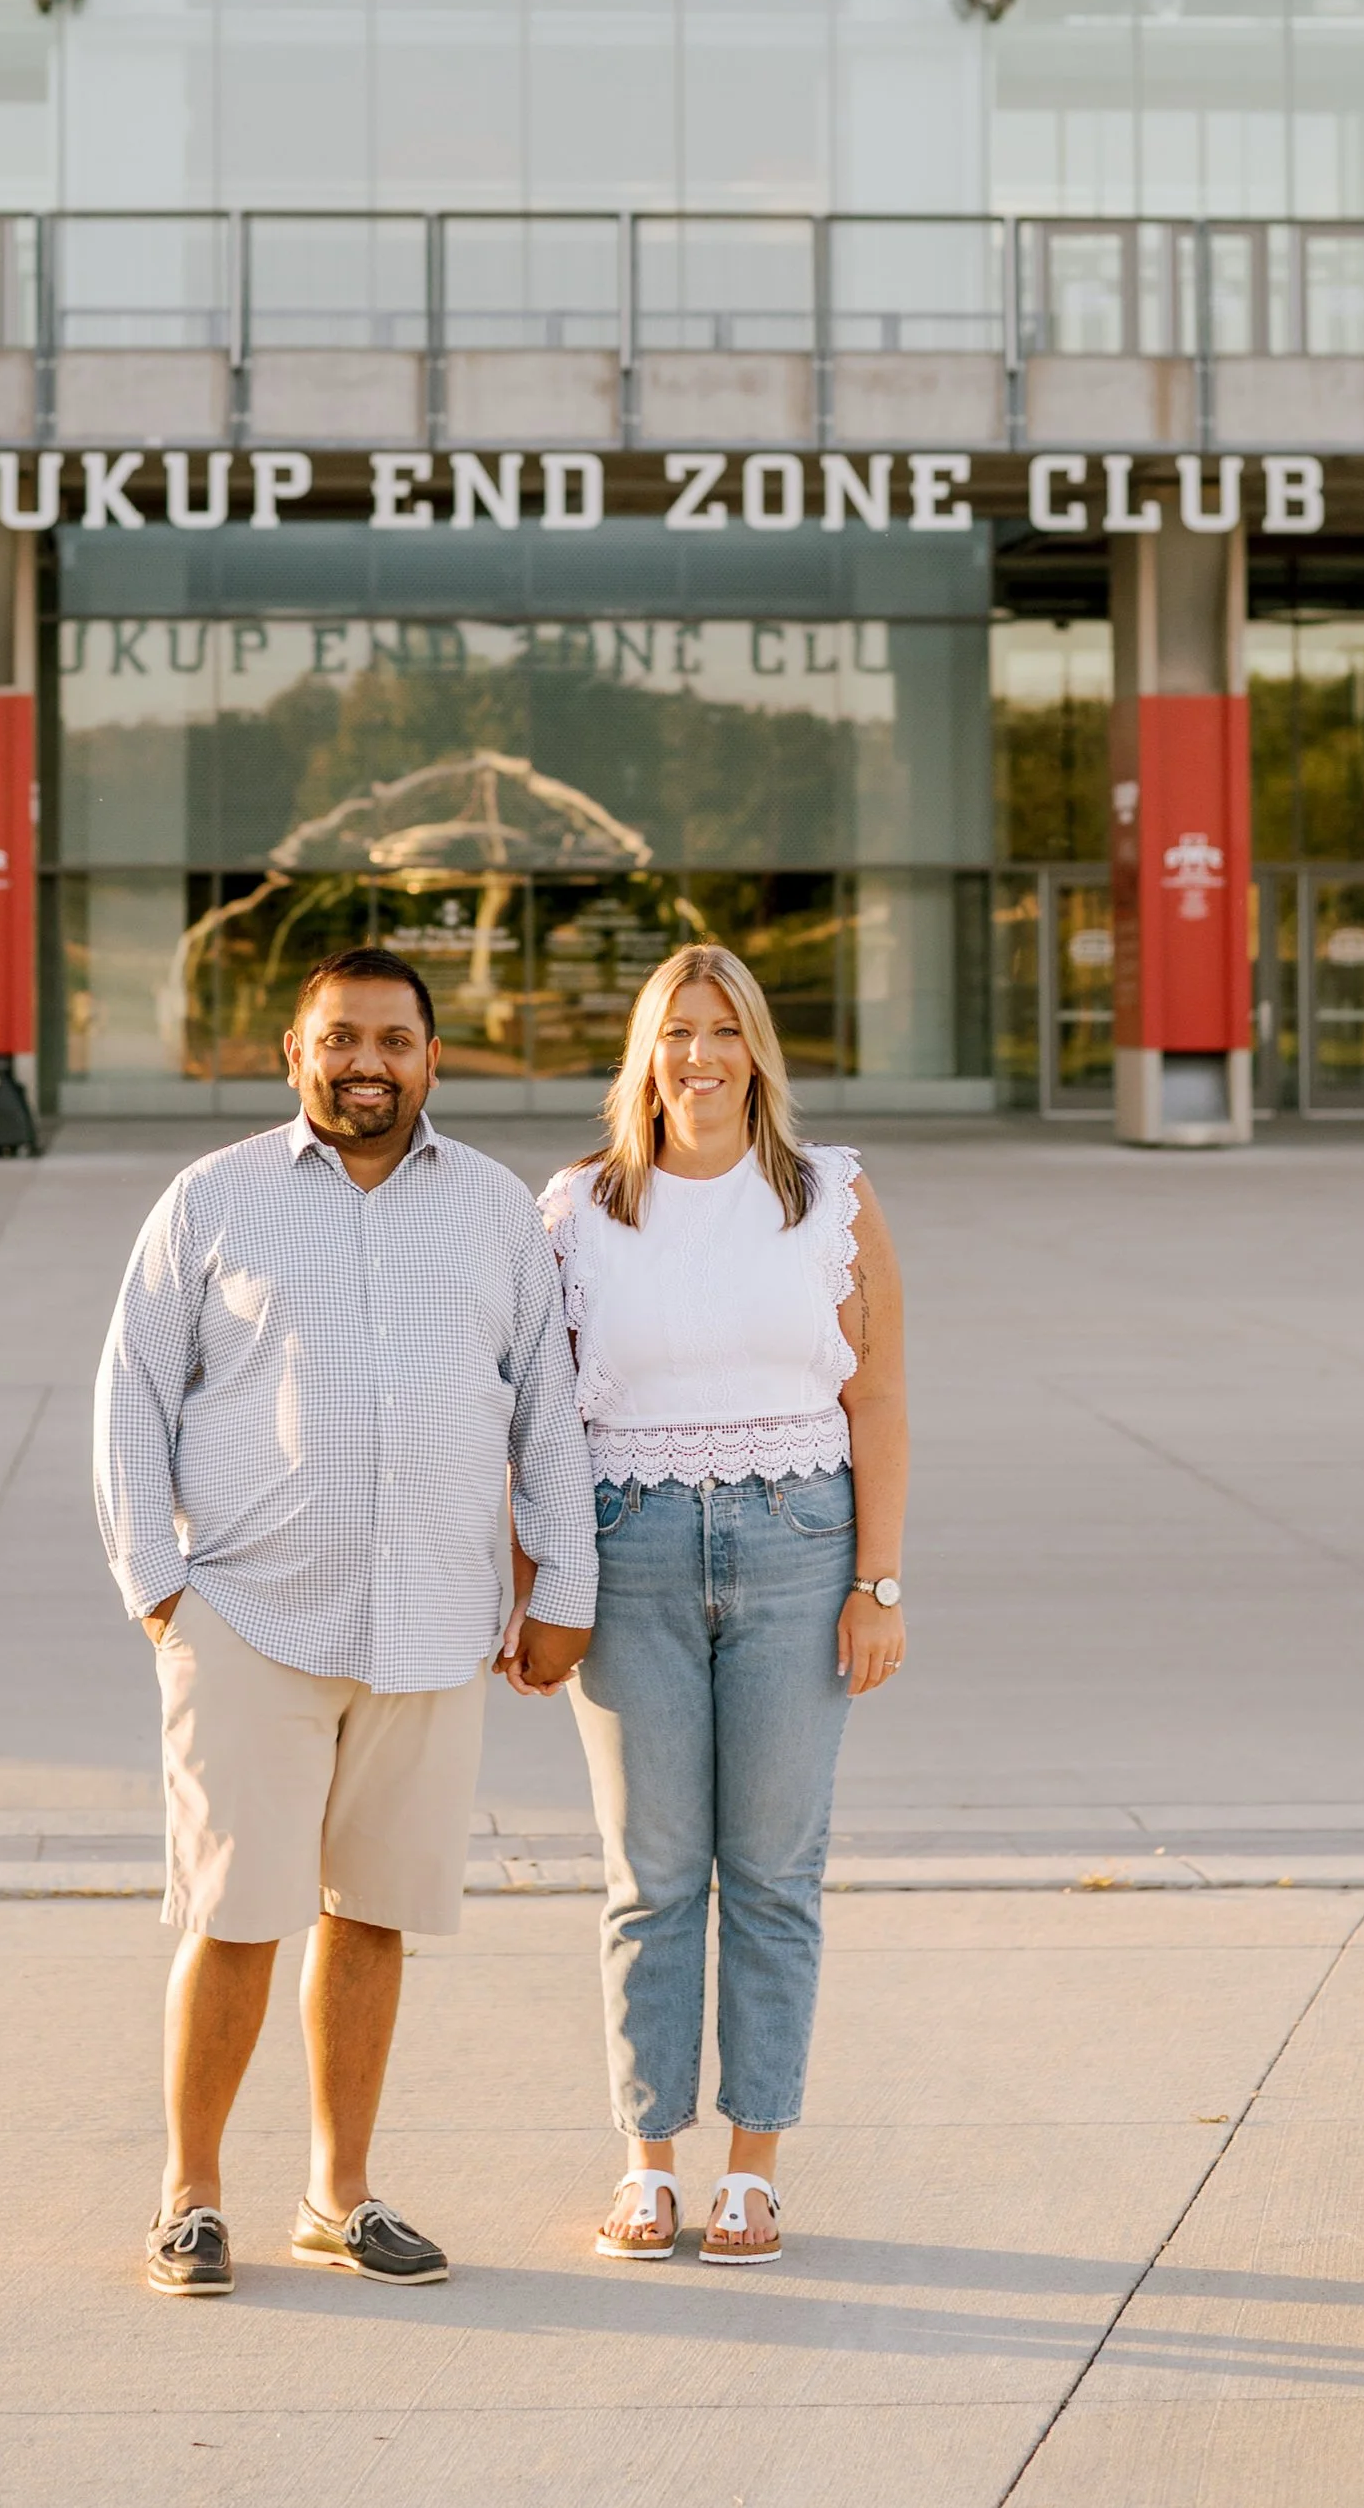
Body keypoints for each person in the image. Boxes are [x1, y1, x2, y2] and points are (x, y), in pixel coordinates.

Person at [93, 943, 597, 2298]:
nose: (365, 1062)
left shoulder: (495, 1211)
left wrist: (567, 1586)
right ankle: (191, 2198)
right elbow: (132, 1391)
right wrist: (158, 1589)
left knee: (371, 1916)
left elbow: (547, 1404)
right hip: (249, 1616)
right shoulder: (213, 1200)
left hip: (432, 1624)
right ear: (293, 1052)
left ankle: (340, 2193)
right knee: (236, 1915)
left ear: (433, 1058)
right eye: (340, 1038)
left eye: (393, 1039)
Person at [529, 942, 909, 2269]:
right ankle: (648, 2164)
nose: (699, 1056)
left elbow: (877, 1400)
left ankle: (753, 2166)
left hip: (800, 1545)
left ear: (759, 1053)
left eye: (724, 1031)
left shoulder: (832, 1200)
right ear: (646, 1055)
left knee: (771, 1869)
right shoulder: (577, 1211)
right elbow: (539, 1420)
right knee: (649, 1873)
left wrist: (878, 1582)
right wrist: (540, 1580)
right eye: (675, 1032)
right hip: (625, 1548)